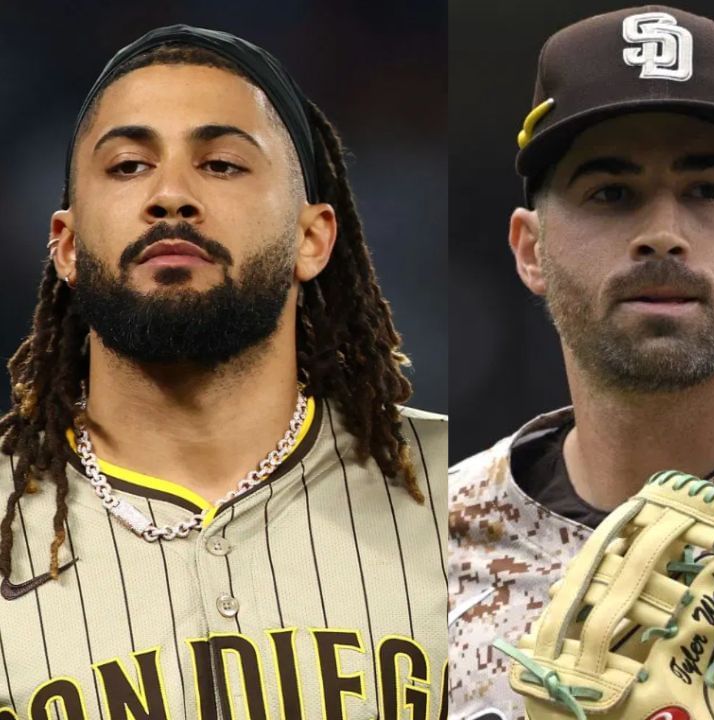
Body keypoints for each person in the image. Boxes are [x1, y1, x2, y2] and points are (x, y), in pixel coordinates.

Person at [448, 6, 714, 718]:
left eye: (706, 190)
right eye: (610, 193)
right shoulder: (436, 543)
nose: (661, 234)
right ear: (531, 250)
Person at [0, 26, 447, 718]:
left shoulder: (460, 488)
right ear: (65, 246)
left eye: (221, 165)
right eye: (126, 167)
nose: (171, 195)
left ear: (312, 238)